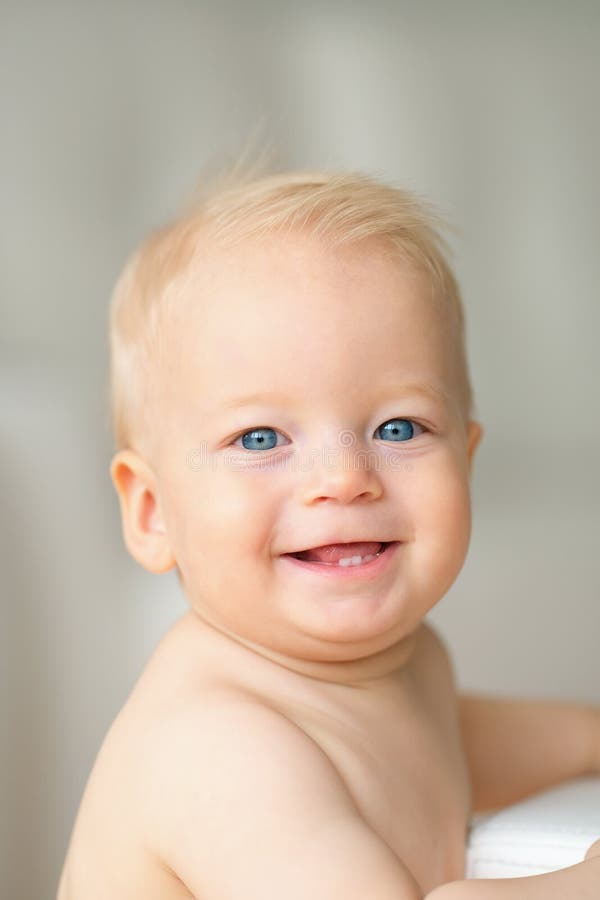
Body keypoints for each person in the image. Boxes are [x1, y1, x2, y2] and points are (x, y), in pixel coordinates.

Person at [57, 169, 600, 898]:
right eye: (259, 438)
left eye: (398, 427)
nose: (344, 479)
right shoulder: (217, 749)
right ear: (153, 512)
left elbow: (448, 744)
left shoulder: (402, 665)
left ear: (465, 464)